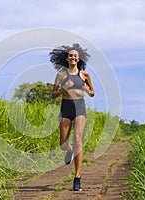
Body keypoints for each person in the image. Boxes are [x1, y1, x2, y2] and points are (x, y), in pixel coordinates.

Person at [49, 43, 95, 191]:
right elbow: (52, 95)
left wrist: (87, 89)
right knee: (63, 144)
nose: (73, 57)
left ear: (79, 58)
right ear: (67, 58)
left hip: (79, 108)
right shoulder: (61, 75)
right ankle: (69, 150)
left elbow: (93, 92)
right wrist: (63, 89)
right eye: (70, 55)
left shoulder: (84, 75)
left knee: (77, 140)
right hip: (66, 108)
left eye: (75, 55)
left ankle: (77, 178)